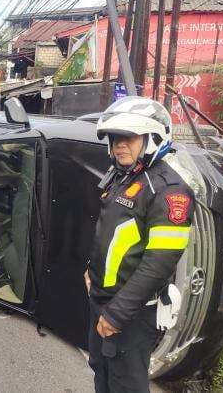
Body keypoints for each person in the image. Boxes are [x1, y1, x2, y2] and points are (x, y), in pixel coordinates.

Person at [85, 96, 195, 393]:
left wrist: (117, 314)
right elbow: (111, 232)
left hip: (130, 313)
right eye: (114, 137)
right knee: (101, 372)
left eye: (129, 137)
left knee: (126, 384)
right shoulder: (123, 176)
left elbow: (159, 263)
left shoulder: (170, 191)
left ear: (153, 138)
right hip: (103, 301)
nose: (119, 144)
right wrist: (91, 272)